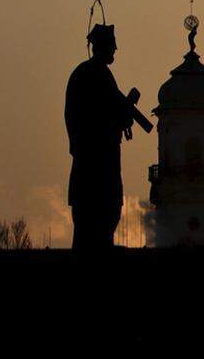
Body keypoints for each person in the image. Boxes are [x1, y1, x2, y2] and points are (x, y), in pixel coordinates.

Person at [65, 23, 141, 250]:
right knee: (100, 216)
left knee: (97, 221)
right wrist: (122, 116)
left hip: (92, 162)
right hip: (98, 162)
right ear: (103, 46)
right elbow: (102, 116)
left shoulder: (89, 74)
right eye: (112, 45)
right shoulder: (96, 76)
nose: (116, 49)